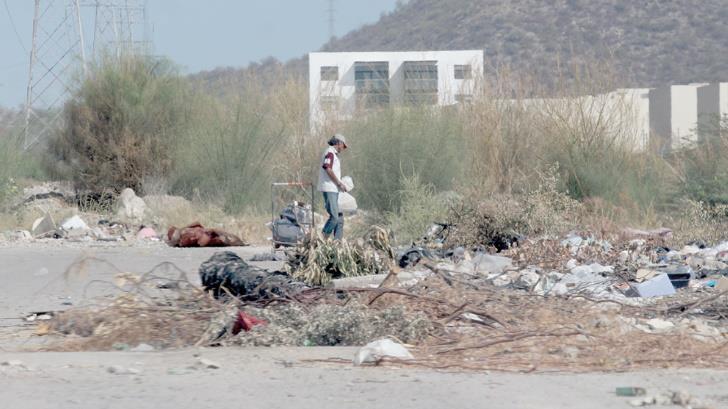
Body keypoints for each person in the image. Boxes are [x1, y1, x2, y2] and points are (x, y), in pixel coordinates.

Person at [317, 134, 348, 240]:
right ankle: (321, 240)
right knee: (334, 218)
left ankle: (337, 244)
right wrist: (339, 183)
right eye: (343, 146)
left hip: (334, 189)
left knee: (339, 218)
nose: (343, 148)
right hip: (329, 188)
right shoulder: (330, 153)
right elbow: (327, 168)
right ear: (339, 143)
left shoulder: (333, 154)